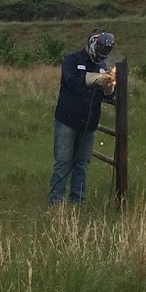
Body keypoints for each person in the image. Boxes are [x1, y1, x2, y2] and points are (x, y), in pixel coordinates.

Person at [48, 30, 116, 206]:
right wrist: (95, 79)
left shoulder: (102, 66)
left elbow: (108, 95)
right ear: (93, 44)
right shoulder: (72, 60)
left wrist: (109, 87)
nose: (103, 55)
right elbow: (71, 81)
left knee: (82, 163)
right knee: (63, 162)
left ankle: (77, 202)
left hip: (89, 123)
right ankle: (56, 203)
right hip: (67, 120)